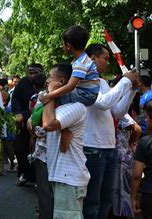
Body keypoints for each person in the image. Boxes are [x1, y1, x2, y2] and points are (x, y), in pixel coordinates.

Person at [82, 44, 139, 219]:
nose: (108, 63)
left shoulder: (102, 82)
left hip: (109, 146)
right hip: (92, 147)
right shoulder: (83, 80)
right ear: (92, 58)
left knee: (106, 198)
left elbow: (117, 112)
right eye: (105, 59)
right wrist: (125, 80)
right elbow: (103, 103)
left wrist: (132, 89)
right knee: (92, 200)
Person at [42, 63, 90, 218]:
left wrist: (49, 96)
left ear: (62, 82)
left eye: (50, 77)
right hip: (61, 176)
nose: (47, 81)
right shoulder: (56, 107)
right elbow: (32, 124)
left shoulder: (77, 107)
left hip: (69, 177)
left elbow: (48, 124)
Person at [39, 25, 99, 107]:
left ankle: (40, 117)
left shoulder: (80, 63)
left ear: (68, 46)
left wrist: (49, 96)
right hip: (84, 93)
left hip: (86, 96)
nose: (61, 46)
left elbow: (70, 86)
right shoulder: (81, 60)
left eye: (62, 44)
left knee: (55, 98)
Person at [11, 64, 44, 186]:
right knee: (20, 149)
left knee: (37, 151)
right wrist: (18, 113)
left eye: (35, 73)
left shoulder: (44, 83)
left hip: (40, 122)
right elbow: (15, 98)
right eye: (30, 73)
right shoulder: (23, 82)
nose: (32, 76)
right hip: (23, 120)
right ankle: (24, 174)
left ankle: (38, 178)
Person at [131, 96, 152, 218]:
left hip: (151, 195)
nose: (145, 120)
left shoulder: (145, 142)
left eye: (147, 117)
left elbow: (137, 175)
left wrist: (133, 197)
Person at [112, 113, 141, 218]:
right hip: (118, 155)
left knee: (123, 190)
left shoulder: (120, 113)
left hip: (122, 156)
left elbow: (137, 129)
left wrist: (131, 142)